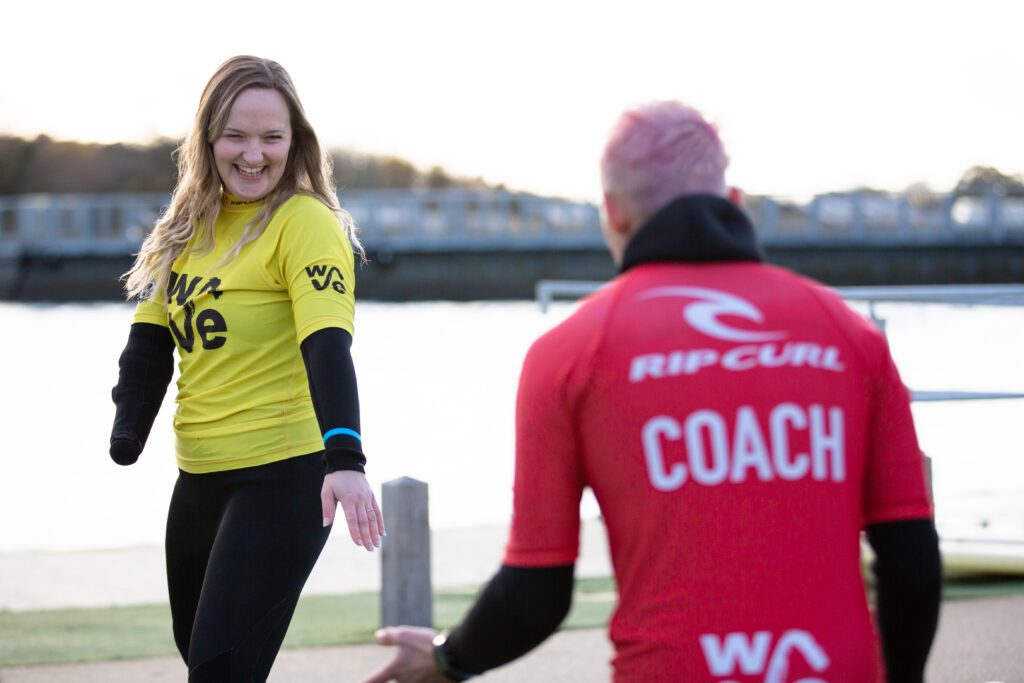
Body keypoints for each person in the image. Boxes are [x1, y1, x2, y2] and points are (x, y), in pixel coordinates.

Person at [364, 102, 942, 682]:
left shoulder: (569, 353)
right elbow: (912, 563)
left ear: (612, 214)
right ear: (733, 202)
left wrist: (447, 658)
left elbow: (537, 588)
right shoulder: (850, 333)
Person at [108, 55, 384, 682]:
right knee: (203, 660)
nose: (253, 154)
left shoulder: (304, 221)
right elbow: (149, 342)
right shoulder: (183, 226)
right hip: (199, 477)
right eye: (235, 135)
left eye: (271, 137)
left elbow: (327, 344)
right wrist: (128, 429)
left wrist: (346, 459)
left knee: (220, 673)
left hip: (284, 479)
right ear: (208, 138)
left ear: (296, 142)